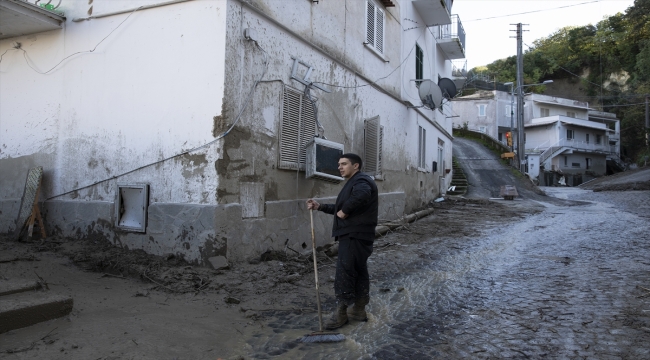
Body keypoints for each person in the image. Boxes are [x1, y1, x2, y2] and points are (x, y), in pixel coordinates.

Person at [306, 153, 378, 330]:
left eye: (344, 164)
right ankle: (359, 310)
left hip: (354, 235)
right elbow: (341, 208)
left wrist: (345, 210)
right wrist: (320, 206)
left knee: (344, 272)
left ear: (356, 166)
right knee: (359, 271)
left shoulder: (361, 181)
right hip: (360, 235)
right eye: (339, 164)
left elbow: (362, 195)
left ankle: (341, 313)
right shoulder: (355, 182)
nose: (340, 167)